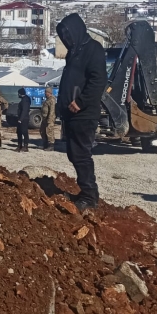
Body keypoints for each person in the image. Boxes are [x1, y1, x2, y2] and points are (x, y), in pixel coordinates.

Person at [56, 14, 107, 212]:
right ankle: (86, 193)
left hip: (84, 113)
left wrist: (81, 101)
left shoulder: (93, 49)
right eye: (63, 36)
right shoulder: (74, 51)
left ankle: (89, 196)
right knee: (74, 154)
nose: (66, 39)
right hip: (72, 113)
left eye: (68, 34)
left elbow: (98, 81)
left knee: (81, 155)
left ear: (76, 31)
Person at [40, 85, 57, 150]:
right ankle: (45, 144)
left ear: (49, 93)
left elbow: (52, 110)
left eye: (46, 92)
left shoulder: (52, 100)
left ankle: (51, 145)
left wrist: (50, 119)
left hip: (49, 119)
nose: (45, 93)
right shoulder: (47, 99)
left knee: (49, 131)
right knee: (42, 131)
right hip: (45, 118)